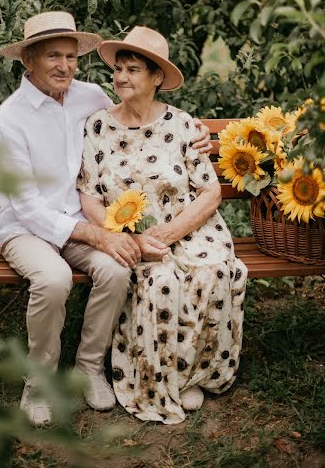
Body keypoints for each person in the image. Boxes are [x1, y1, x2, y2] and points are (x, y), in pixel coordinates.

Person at [0, 12, 212, 426]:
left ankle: (88, 368)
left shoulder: (88, 96)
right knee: (53, 280)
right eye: (53, 56)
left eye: (71, 56)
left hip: (79, 221)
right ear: (28, 61)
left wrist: (194, 130)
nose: (64, 66)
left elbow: (140, 118)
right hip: (25, 228)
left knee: (115, 269)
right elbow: (27, 205)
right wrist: (98, 234)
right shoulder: (9, 121)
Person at [77, 26, 248, 424]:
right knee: (162, 281)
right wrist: (129, 238)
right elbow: (88, 195)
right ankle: (160, 379)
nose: (121, 77)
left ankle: (192, 375)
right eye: (118, 69)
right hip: (128, 233)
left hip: (189, 228)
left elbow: (210, 192)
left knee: (216, 273)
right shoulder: (98, 126)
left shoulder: (183, 125)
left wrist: (169, 234)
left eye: (133, 69)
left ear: (157, 78)